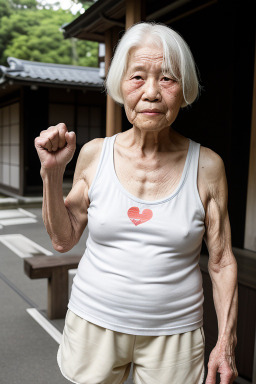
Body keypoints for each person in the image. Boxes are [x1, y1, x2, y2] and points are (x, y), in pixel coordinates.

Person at [35, 22, 238, 384]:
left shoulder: (208, 166)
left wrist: (225, 342)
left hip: (175, 334)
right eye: (138, 77)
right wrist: (52, 174)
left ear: (184, 89)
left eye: (167, 79)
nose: (152, 93)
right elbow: (63, 240)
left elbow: (221, 261)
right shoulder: (95, 154)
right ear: (120, 86)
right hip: (93, 321)